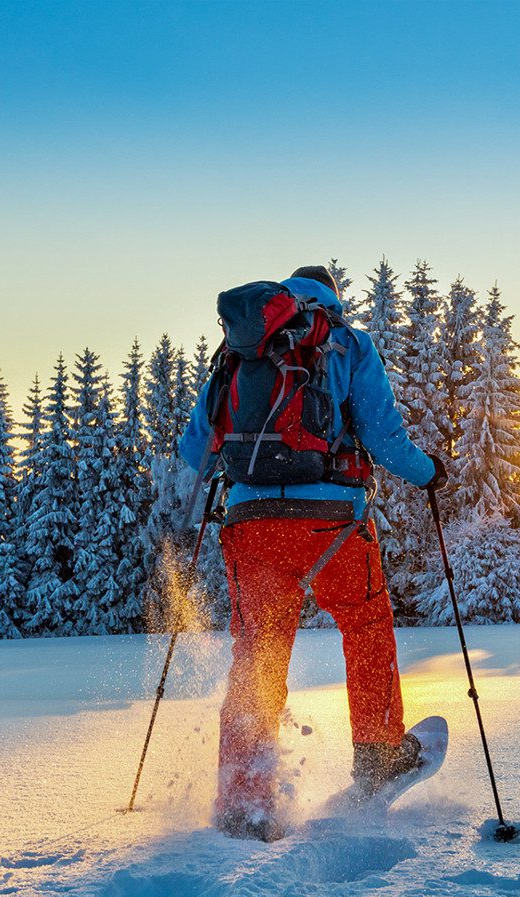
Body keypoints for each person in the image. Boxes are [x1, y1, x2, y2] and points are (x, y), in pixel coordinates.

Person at [177, 264, 444, 841]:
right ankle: (377, 755)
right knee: (366, 624)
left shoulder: (240, 351)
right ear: (333, 298)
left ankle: (245, 801)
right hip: (333, 523)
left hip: (250, 526)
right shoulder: (346, 343)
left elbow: (194, 446)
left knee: (258, 653)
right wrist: (429, 474)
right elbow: (383, 437)